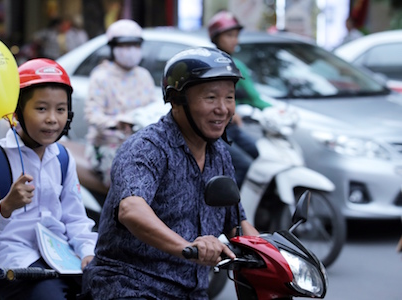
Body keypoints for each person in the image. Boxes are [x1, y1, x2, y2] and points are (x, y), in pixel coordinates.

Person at [81, 47, 260, 299]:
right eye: (210, 98)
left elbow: (236, 224)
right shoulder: (147, 147)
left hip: (192, 291)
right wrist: (187, 247)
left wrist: (272, 252)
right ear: (177, 100)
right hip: (130, 286)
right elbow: (131, 208)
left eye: (229, 98)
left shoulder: (219, 153)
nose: (223, 109)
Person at [0, 58, 97, 300]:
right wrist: (5, 207)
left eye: (60, 109)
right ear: (18, 110)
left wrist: (88, 252)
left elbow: (75, 218)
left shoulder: (63, 157)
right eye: (41, 109)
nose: (53, 118)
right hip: (11, 265)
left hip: (62, 260)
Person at [84, 19, 156, 189]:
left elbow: (153, 107)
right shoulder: (101, 77)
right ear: (113, 48)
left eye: (135, 45)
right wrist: (116, 123)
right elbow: (92, 114)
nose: (130, 51)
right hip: (109, 146)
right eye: (125, 46)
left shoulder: (143, 75)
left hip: (142, 145)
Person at [208, 10, 272, 188]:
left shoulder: (236, 65)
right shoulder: (207, 65)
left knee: (260, 155)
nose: (235, 40)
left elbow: (253, 97)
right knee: (243, 165)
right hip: (213, 128)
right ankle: (230, 210)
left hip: (231, 127)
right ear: (217, 37)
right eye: (229, 35)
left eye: (236, 35)